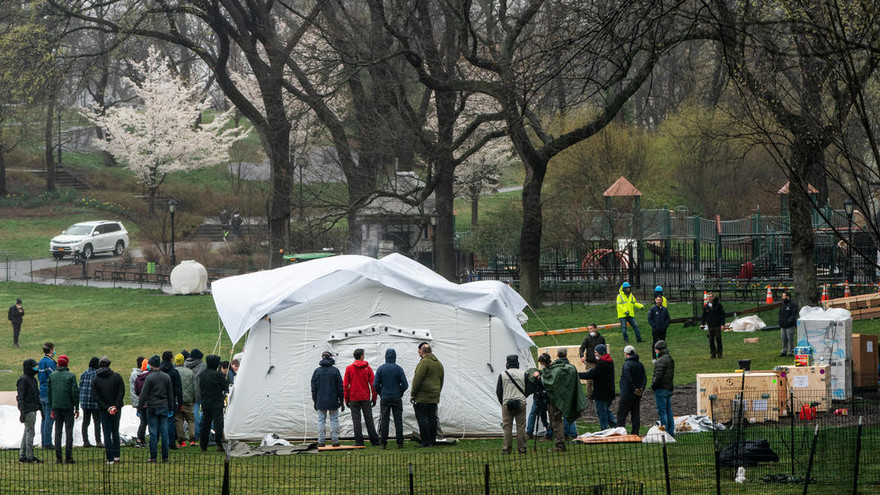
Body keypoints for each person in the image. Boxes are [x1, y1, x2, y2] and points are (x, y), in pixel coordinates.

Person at [539, 349, 587, 452]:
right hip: (566, 398)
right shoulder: (570, 368)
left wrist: (542, 376)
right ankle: (569, 436)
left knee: (556, 422)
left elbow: (549, 383)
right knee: (563, 419)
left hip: (555, 400)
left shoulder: (554, 370)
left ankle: (560, 444)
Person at [372, 348, 408, 449]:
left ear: (386, 357)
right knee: (398, 420)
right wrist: (400, 393)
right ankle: (400, 443)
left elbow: (375, 385)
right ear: (394, 357)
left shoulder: (380, 369)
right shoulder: (398, 369)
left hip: (385, 397)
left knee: (384, 420)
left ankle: (383, 443)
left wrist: (381, 392)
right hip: (396, 397)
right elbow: (405, 384)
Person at [343, 348, 380, 446]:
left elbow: (345, 385)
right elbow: (373, 384)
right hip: (365, 397)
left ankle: (359, 441)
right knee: (369, 419)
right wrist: (374, 398)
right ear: (362, 356)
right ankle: (374, 440)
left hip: (353, 397)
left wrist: (346, 399)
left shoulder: (349, 368)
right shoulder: (368, 368)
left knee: (356, 420)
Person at [92, 356, 125, 464]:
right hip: (116, 408)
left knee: (106, 432)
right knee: (115, 431)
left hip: (103, 409)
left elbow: (96, 397)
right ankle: (116, 456)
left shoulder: (96, 380)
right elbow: (121, 392)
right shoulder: (117, 377)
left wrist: (107, 407)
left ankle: (109, 458)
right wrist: (115, 406)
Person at [140, 355, 173, 462]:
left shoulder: (149, 378)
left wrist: (140, 407)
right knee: (164, 433)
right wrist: (171, 407)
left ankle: (153, 456)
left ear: (152, 365)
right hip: (164, 406)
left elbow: (144, 394)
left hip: (152, 407)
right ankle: (165, 456)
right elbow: (170, 394)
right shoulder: (166, 377)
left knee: (153, 433)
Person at [496, 354, 530, 454]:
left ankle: (506, 449)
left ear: (507, 363)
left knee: (507, 426)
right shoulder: (524, 374)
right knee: (521, 426)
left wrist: (503, 402)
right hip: (520, 402)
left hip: (507, 402)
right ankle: (522, 448)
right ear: (517, 362)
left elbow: (499, 391)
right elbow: (528, 389)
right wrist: (523, 397)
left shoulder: (503, 374)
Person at [411, 343, 444, 447]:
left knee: (423, 419)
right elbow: (441, 380)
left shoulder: (424, 363)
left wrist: (413, 394)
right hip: (434, 397)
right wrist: (437, 392)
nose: (418, 352)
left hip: (422, 397)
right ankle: (432, 440)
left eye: (419, 350)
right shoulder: (438, 363)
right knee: (432, 419)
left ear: (422, 351)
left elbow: (417, 380)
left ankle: (425, 441)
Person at [48, 354, 79, 464]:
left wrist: (52, 406)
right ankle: (68, 457)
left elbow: (49, 393)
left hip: (56, 407)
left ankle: (58, 457)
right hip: (68, 407)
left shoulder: (52, 376)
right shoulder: (70, 376)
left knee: (58, 431)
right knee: (69, 431)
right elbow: (74, 392)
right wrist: (77, 407)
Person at [578, 344, 616, 430]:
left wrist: (577, 375)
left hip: (601, 393)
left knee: (601, 412)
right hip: (609, 391)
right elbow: (598, 372)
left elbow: (592, 375)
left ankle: (604, 429)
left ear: (601, 353)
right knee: (606, 410)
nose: (595, 354)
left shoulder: (601, 364)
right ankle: (615, 426)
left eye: (596, 352)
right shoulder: (609, 361)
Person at [311, 351, 344, 447]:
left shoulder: (317, 371)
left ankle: (321, 441)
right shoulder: (335, 371)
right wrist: (341, 400)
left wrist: (315, 400)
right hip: (333, 400)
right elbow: (340, 387)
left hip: (321, 400)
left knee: (321, 420)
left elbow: (313, 388)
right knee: (334, 419)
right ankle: (335, 441)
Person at [198, 355, 228, 452]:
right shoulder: (218, 375)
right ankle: (219, 445)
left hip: (206, 403)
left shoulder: (202, 375)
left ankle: (203, 445)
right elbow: (224, 386)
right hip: (217, 403)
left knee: (205, 425)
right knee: (218, 425)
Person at [616, 345, 646, 435]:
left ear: (626, 353)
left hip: (627, 393)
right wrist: (641, 388)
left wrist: (633, 388)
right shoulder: (640, 364)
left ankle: (620, 433)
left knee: (621, 415)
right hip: (637, 394)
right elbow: (644, 378)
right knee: (635, 414)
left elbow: (627, 378)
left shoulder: (626, 364)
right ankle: (635, 433)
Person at [17, 358, 42, 463]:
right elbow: (21, 397)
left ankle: (22, 455)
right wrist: (22, 411)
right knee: (30, 432)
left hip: (32, 408)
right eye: (34, 367)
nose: (36, 369)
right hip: (28, 409)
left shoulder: (31, 379)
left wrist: (40, 407)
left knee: (27, 431)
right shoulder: (24, 379)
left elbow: (36, 395)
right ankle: (30, 455)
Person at [651, 340, 675, 437]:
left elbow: (658, 376)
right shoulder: (669, 358)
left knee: (662, 411)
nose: (655, 352)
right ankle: (671, 431)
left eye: (656, 350)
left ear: (659, 350)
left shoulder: (660, 361)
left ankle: (665, 431)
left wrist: (653, 385)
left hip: (661, 389)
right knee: (668, 410)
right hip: (669, 387)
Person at [79, 357, 103, 448]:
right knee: (97, 421)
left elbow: (80, 387)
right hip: (95, 402)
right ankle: (98, 441)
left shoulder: (84, 374)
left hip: (85, 402)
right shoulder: (97, 375)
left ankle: (85, 441)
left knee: (85, 422)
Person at [160, 351, 182, 449]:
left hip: (159, 399)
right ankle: (171, 443)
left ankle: (161, 441)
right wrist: (180, 401)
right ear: (170, 359)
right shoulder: (173, 372)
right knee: (170, 421)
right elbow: (178, 388)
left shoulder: (159, 370)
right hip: (170, 399)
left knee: (160, 421)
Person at [175, 353, 197, 448]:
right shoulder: (190, 372)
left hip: (177, 401)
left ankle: (181, 441)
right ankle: (192, 440)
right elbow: (195, 388)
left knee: (179, 420)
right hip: (189, 400)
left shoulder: (173, 372)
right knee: (190, 420)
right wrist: (194, 399)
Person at [578, 323, 605, 400]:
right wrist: (581, 356)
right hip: (590, 362)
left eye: (591, 329)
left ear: (595, 329)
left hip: (599, 362)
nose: (590, 330)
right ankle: (590, 396)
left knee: (599, 380)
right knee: (589, 381)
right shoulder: (587, 339)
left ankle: (599, 394)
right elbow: (581, 348)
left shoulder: (601, 338)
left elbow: (604, 349)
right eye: (589, 329)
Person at [184, 349, 206, 440]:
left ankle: (195, 434)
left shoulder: (185, 365)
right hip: (202, 392)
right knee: (204, 413)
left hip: (190, 392)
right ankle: (200, 432)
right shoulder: (203, 366)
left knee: (194, 415)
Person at [38, 342, 56, 449]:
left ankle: (44, 441)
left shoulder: (41, 362)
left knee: (44, 418)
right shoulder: (51, 363)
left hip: (42, 392)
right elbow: (53, 378)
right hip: (49, 393)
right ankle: (48, 443)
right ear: (51, 350)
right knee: (50, 418)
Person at [129, 357, 147, 448]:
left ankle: (141, 439)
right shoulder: (138, 374)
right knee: (144, 421)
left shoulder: (135, 373)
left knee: (143, 420)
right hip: (140, 401)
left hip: (138, 401)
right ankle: (140, 439)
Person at [702, 291, 725, 358]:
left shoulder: (718, 305)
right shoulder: (706, 306)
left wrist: (722, 324)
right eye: (708, 297)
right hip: (710, 325)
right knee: (711, 340)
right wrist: (702, 323)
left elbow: (722, 315)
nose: (709, 298)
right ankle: (713, 353)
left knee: (718, 339)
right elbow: (704, 316)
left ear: (713, 297)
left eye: (710, 297)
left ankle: (719, 353)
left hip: (717, 325)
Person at [778, 291, 799, 357]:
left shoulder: (793, 304)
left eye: (784, 296)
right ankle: (784, 351)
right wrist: (780, 321)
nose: (782, 297)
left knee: (790, 339)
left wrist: (789, 321)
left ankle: (791, 351)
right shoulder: (783, 304)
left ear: (788, 296)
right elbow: (780, 313)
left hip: (790, 325)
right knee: (783, 339)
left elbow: (794, 314)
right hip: (783, 325)